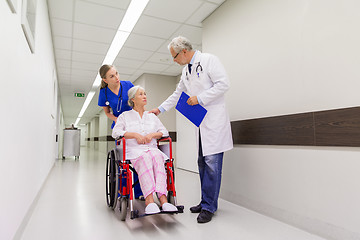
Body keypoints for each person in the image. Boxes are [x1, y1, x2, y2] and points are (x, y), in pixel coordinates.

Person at [150, 36, 233, 223]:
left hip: (214, 123)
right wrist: (160, 109)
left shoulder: (209, 60)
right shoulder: (186, 71)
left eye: (174, 56)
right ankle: (205, 202)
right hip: (202, 124)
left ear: (184, 52)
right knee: (202, 164)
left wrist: (200, 98)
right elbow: (177, 93)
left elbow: (224, 84)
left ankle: (209, 207)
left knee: (212, 167)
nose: (174, 60)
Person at [112, 86, 178, 214]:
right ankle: (149, 201)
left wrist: (152, 135)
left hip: (152, 148)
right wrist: (134, 135)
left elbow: (164, 132)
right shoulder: (124, 116)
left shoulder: (152, 116)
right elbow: (116, 132)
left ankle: (163, 200)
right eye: (140, 94)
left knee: (158, 157)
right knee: (145, 158)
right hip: (135, 151)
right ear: (132, 99)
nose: (144, 96)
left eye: (145, 94)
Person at [97, 64, 144, 200]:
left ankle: (140, 193)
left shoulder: (128, 85)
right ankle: (124, 193)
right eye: (112, 76)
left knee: (138, 158)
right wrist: (118, 120)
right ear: (105, 80)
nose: (116, 77)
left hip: (133, 125)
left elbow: (137, 101)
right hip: (120, 127)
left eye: (117, 73)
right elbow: (107, 112)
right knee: (122, 162)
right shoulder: (104, 93)